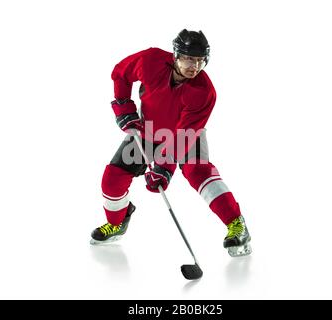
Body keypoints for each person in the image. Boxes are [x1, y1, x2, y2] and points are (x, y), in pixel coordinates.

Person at [90, 29, 251, 257]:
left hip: (186, 136)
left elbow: (184, 135)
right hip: (148, 131)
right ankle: (118, 221)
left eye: (199, 61)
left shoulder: (205, 93)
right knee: (112, 179)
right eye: (188, 59)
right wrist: (123, 103)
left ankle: (237, 226)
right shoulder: (150, 61)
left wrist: (164, 168)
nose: (194, 67)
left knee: (199, 173)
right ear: (175, 56)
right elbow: (120, 73)